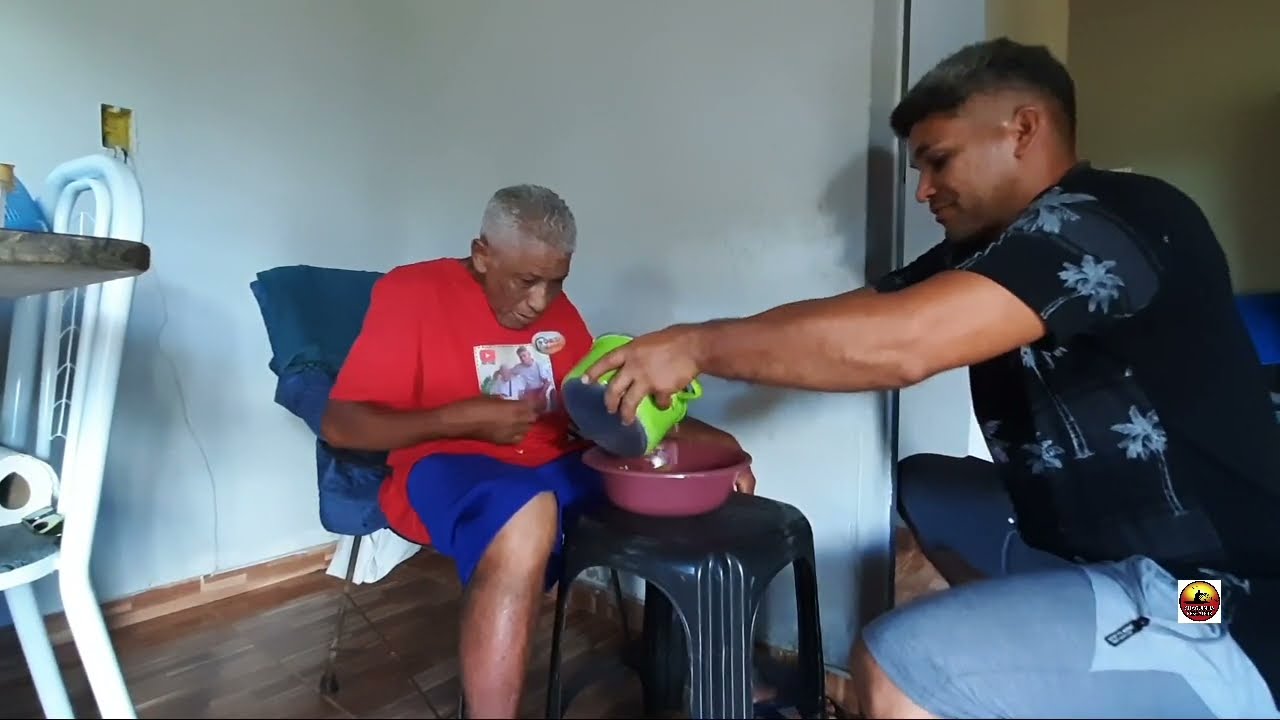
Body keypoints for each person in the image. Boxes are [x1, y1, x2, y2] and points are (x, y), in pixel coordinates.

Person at [580, 38, 1280, 719]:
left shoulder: (1115, 216)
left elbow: (904, 345)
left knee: (897, 664)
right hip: (1096, 557)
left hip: (1216, 594)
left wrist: (699, 348)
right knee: (927, 486)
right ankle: (1040, 660)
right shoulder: (991, 248)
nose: (924, 190)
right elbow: (864, 314)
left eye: (939, 161)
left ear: (1023, 129)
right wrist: (687, 355)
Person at [320, 184, 755, 719]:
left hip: (558, 462)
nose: (541, 302)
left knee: (695, 485)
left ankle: (719, 686)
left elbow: (600, 407)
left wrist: (715, 447)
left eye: (556, 282)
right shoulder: (411, 292)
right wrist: (459, 418)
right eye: (526, 281)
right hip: (445, 465)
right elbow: (340, 425)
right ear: (483, 255)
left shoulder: (556, 310)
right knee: (528, 513)